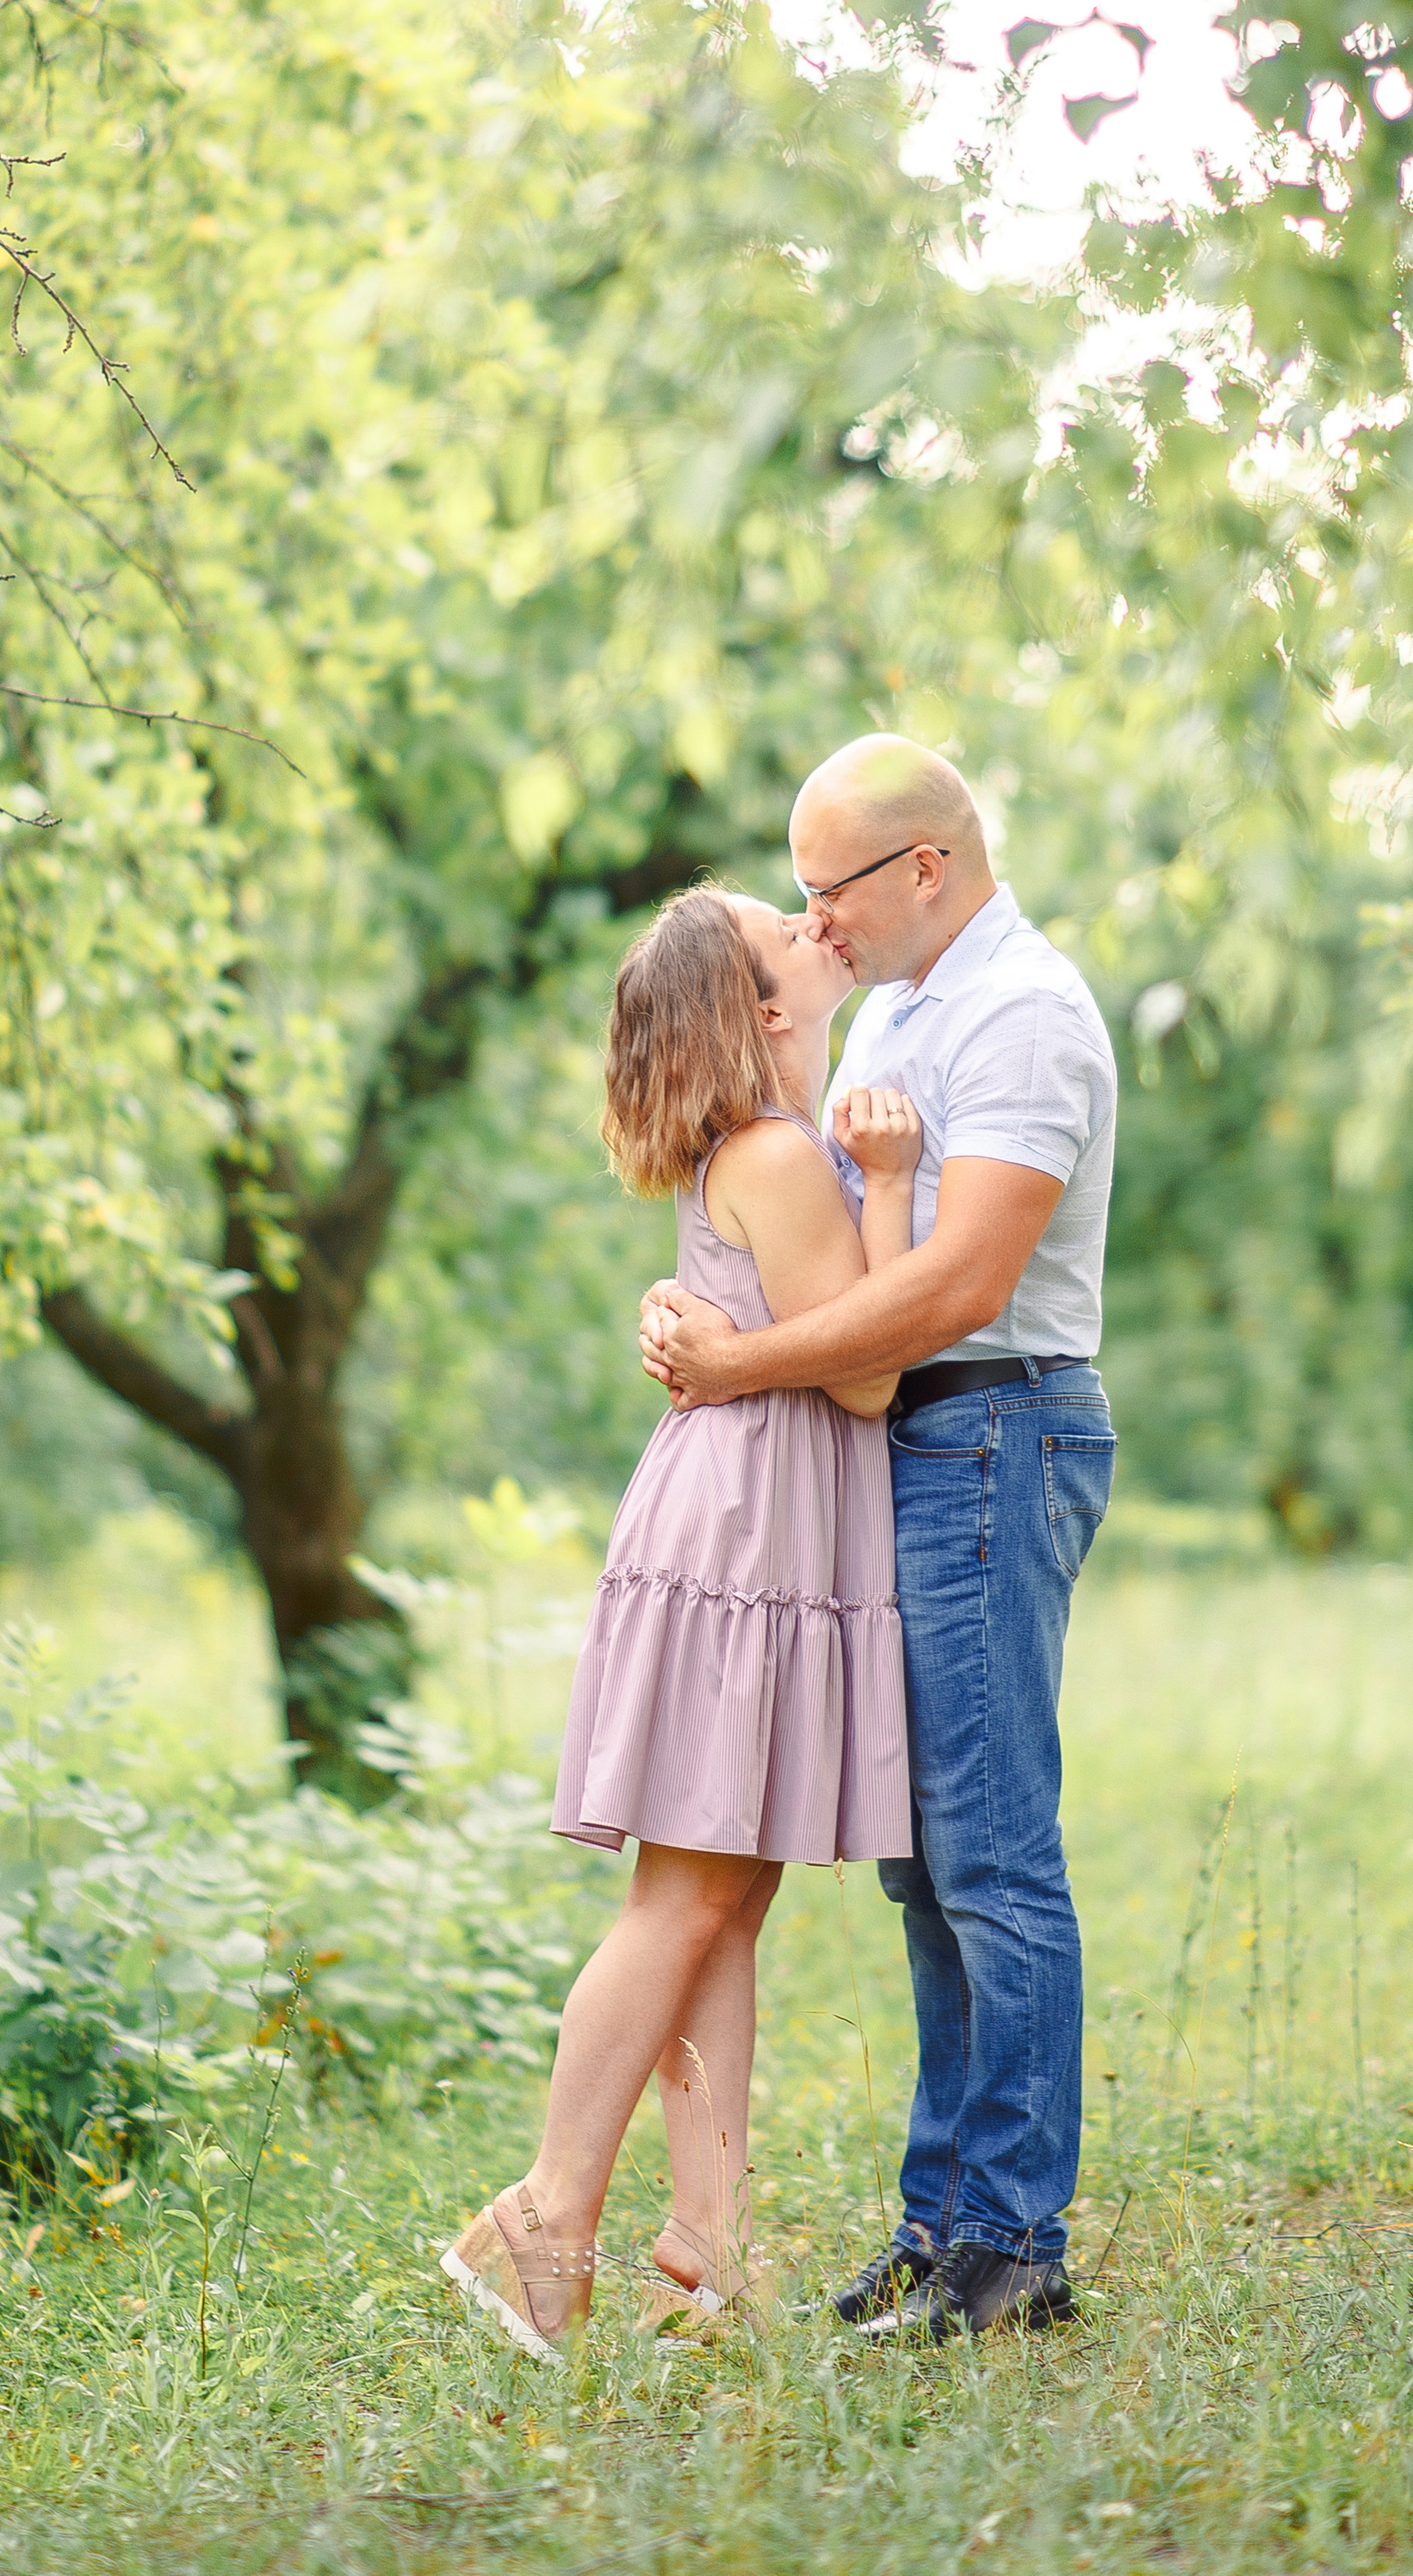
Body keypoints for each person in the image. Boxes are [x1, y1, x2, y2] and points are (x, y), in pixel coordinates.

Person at [640, 736, 1119, 2344]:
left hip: (994, 1425)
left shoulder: (1026, 1015)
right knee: (926, 1866)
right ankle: (941, 2228)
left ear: (923, 867)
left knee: (990, 1854)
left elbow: (956, 1286)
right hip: (906, 1442)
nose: (812, 919)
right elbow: (833, 1248)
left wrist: (735, 1363)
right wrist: (698, 1293)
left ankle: (1013, 2243)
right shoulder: (908, 1007)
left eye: (825, 885)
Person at [439, 883, 923, 2359]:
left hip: (752, 1520)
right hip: (747, 1531)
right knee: (684, 1895)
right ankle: (544, 2214)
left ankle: (705, 2246)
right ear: (765, 1011)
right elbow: (869, 1376)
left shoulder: (756, 1147)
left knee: (728, 1894)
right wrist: (891, 1181)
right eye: (786, 928)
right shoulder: (781, 1155)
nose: (810, 920)